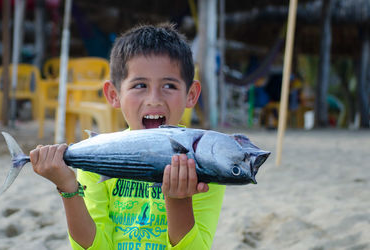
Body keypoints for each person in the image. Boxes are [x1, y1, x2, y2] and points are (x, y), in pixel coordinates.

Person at [29, 23, 226, 250]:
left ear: (191, 95)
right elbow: (96, 246)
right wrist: (67, 188)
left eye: (169, 85)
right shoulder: (97, 159)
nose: (154, 99)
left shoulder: (204, 165)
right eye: (140, 85)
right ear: (114, 95)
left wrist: (178, 200)